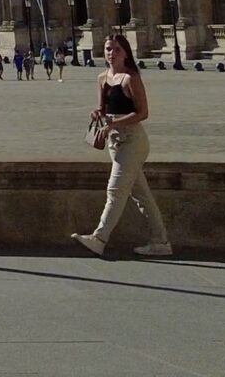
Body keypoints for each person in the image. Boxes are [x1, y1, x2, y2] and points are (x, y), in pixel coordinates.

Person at [73, 34, 172, 258]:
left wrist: (114, 123)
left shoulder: (131, 78)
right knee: (141, 196)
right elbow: (102, 108)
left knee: (115, 191)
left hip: (132, 140)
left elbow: (142, 113)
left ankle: (99, 238)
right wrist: (97, 113)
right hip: (114, 141)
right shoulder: (102, 78)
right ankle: (161, 241)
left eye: (117, 49)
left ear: (126, 52)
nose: (111, 53)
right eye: (108, 49)